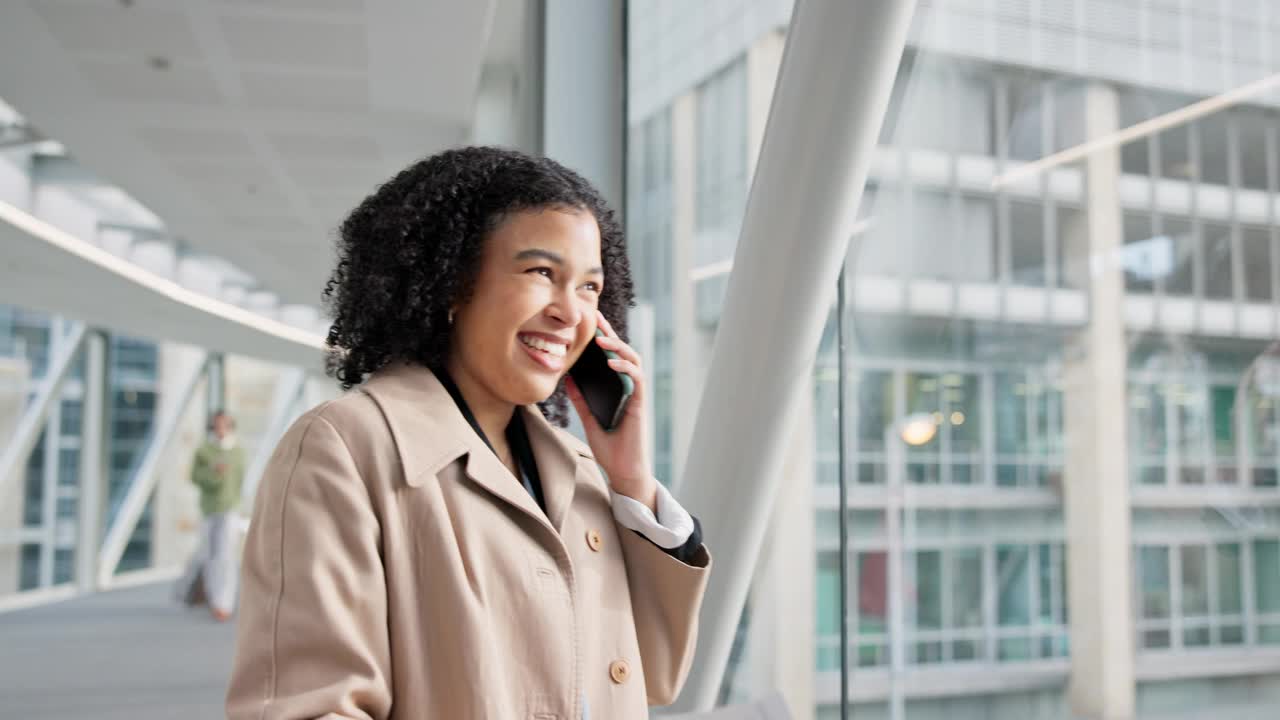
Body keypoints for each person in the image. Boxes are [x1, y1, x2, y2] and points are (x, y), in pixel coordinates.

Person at [226, 147, 711, 719]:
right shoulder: (345, 449)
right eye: (541, 273)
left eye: (588, 288)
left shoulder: (576, 468)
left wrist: (630, 480)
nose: (570, 312)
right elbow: (311, 706)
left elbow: (653, 674)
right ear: (453, 283)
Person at [175, 410, 245, 623]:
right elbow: (196, 477)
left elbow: (240, 479)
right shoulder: (204, 451)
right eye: (217, 424)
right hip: (209, 508)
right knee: (210, 555)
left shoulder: (238, 451)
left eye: (225, 424)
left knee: (227, 555)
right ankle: (214, 598)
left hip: (231, 508)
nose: (221, 428)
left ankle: (225, 602)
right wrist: (214, 473)